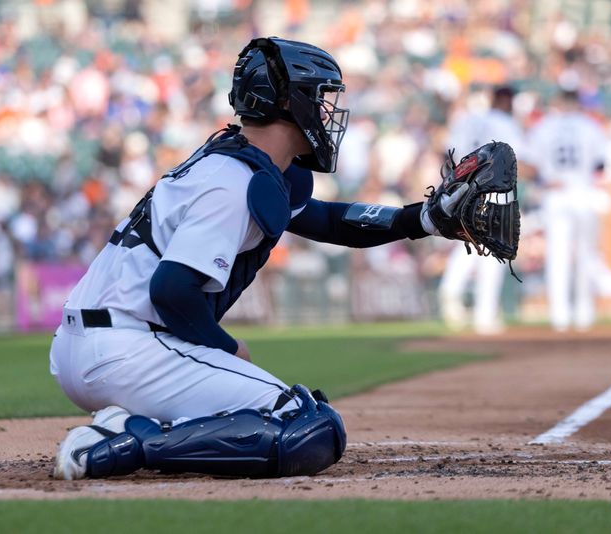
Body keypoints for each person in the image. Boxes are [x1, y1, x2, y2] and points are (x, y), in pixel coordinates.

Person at [50, 37, 467, 480]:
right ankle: (122, 446)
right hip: (129, 349)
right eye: (320, 97)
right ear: (288, 101)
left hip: (93, 344)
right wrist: (229, 347)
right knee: (309, 428)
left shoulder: (235, 163)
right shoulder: (234, 180)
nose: (327, 112)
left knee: (276, 414)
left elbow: (329, 221)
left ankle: (130, 424)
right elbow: (171, 290)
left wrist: (421, 220)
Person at [523, 85, 610, 332]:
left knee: (558, 255)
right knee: (585, 254)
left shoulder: (544, 126)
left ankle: (559, 315)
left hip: (556, 194)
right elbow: (600, 165)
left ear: (559, 101)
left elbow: (529, 165)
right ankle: (584, 312)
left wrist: (543, 180)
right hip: (582, 192)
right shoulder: (590, 125)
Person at [439, 86, 524, 335]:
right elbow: (518, 157)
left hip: (462, 188)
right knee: (494, 247)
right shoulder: (505, 124)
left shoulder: (467, 120)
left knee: (465, 240)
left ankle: (452, 289)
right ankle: (484, 314)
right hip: (493, 189)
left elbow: (449, 151)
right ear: (504, 100)